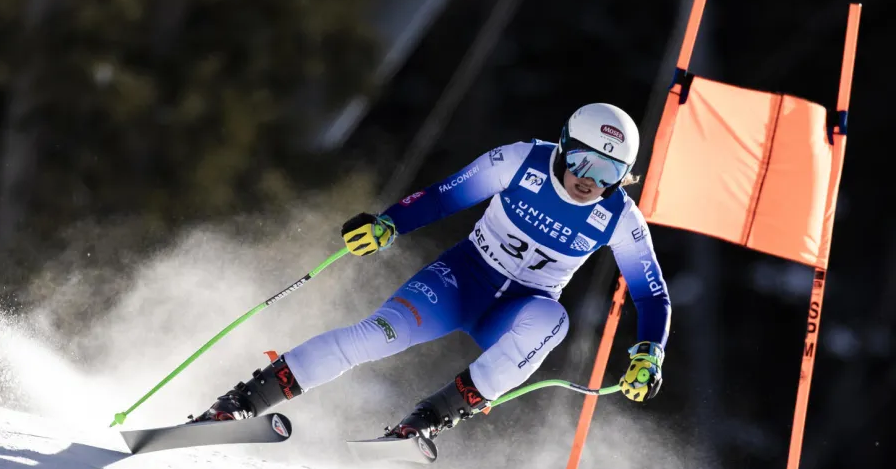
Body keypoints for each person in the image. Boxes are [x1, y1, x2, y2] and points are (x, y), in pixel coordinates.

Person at [192, 103, 671, 440]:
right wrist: (387, 225)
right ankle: (240, 404)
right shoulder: (520, 160)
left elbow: (652, 295)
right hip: (461, 280)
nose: (590, 180)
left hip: (518, 308)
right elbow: (445, 195)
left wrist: (650, 351)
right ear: (565, 147)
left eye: (609, 173)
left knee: (554, 322)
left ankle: (427, 419)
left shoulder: (621, 218)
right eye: (585, 160)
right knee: (374, 337)